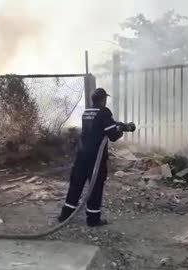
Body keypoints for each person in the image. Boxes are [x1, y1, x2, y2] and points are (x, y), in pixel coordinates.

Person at [58, 88, 135, 227]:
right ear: (103, 100)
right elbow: (112, 135)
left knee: (76, 184)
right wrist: (123, 129)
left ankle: (65, 215)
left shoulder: (86, 112)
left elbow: (99, 125)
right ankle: (93, 219)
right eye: (105, 99)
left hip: (81, 154)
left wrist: (117, 123)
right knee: (95, 186)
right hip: (96, 157)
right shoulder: (104, 112)